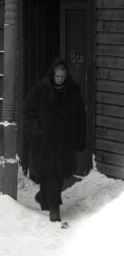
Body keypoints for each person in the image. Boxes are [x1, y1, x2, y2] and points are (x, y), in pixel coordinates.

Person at [23, 58, 86, 223]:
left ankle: (44, 196)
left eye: (63, 76)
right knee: (49, 174)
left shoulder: (72, 91)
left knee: (58, 175)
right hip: (45, 140)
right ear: (52, 75)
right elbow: (29, 112)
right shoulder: (41, 89)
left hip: (65, 140)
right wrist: (36, 131)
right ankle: (54, 208)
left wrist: (79, 137)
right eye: (57, 76)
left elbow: (80, 116)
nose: (60, 79)